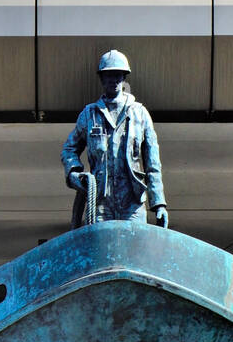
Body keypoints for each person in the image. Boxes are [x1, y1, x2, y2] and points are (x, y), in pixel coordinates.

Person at [61, 49, 168, 228]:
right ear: (102, 79)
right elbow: (69, 149)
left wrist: (158, 203)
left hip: (132, 202)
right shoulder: (89, 114)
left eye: (118, 75)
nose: (114, 80)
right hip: (100, 202)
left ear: (124, 77)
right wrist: (74, 172)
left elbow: (153, 164)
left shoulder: (139, 114)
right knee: (99, 251)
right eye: (109, 75)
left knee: (133, 250)